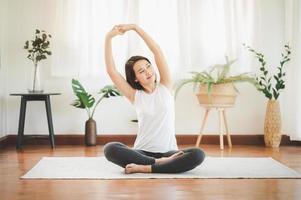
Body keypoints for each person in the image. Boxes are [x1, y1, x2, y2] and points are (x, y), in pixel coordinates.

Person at [104, 24, 205, 174]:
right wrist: (108, 37)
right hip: (142, 152)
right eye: (141, 71)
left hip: (169, 153)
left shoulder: (165, 86)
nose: (148, 72)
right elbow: (111, 71)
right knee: (110, 149)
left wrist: (135, 28)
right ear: (136, 79)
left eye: (148, 66)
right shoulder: (135, 95)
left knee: (198, 154)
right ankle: (158, 164)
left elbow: (156, 50)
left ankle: (145, 168)